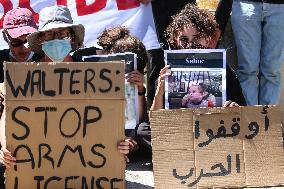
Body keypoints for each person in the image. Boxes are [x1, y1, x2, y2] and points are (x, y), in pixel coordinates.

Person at [0, 5, 133, 178]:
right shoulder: (26, 73)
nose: (56, 38)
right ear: (40, 39)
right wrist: (5, 146)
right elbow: (9, 114)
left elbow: (115, 112)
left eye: (61, 33)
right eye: (49, 33)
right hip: (39, 167)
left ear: (71, 37)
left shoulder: (92, 72)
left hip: (86, 165)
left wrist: (124, 141)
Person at [151, 3, 245, 111]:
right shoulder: (167, 74)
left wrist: (233, 109)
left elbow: (242, 112)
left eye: (196, 38)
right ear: (175, 41)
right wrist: (159, 93)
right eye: (184, 40)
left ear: (208, 39)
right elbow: (154, 122)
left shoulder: (225, 72)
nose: (190, 45)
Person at [230, 0, 284, 105]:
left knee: (272, 72)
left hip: (280, 7)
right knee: (247, 70)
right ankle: (249, 118)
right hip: (246, 5)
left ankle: (268, 119)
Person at [0, 7, 39, 83]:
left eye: (28, 41)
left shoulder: (45, 60)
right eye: (16, 42)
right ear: (6, 37)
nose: (24, 48)